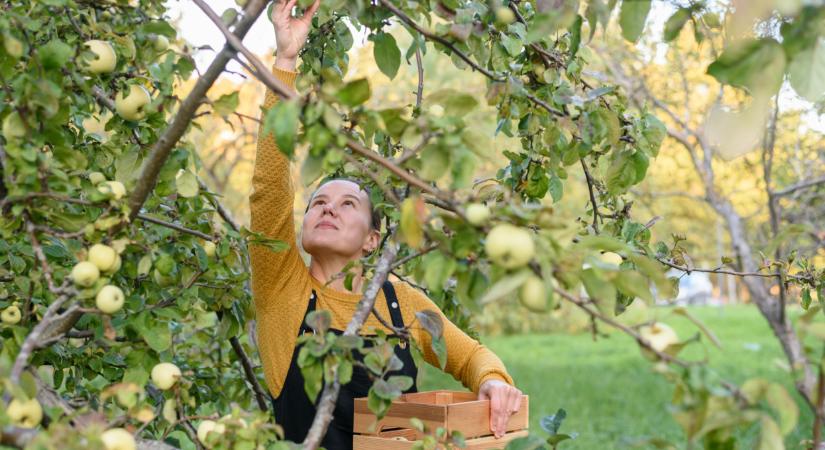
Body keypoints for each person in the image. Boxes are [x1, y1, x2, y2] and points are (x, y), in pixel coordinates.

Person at [249, 1, 523, 447]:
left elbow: (469, 354)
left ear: (373, 239)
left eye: (346, 204)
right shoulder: (283, 290)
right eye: (317, 202)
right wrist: (284, 63)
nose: (327, 209)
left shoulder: (398, 302)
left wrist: (492, 379)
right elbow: (269, 190)